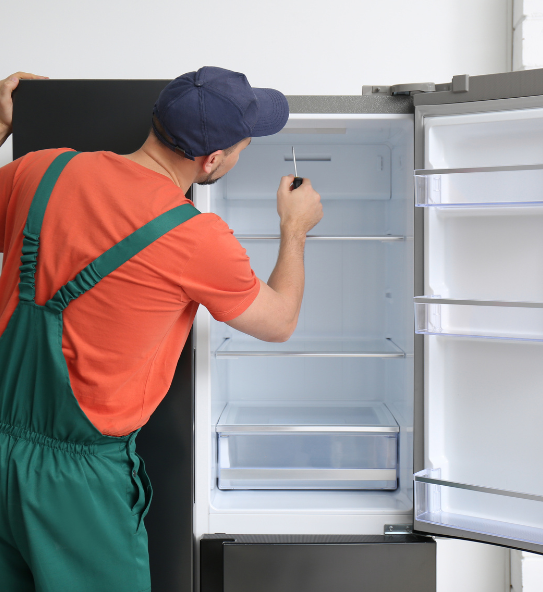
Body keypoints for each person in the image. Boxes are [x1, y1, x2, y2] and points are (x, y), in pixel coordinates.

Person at [0, 67, 322, 592]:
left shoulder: (41, 171)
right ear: (211, 160)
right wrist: (295, 228)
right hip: (78, 485)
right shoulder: (196, 239)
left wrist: (1, 126)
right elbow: (280, 320)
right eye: (242, 147)